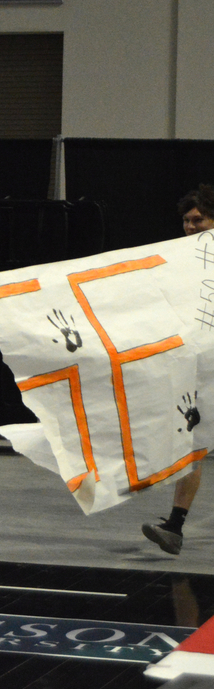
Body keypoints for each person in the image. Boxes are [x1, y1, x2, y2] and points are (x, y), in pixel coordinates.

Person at [142, 184, 214, 554]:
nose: (190, 226)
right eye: (186, 220)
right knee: (193, 444)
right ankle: (175, 526)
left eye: (197, 219)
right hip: (201, 369)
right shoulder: (181, 262)